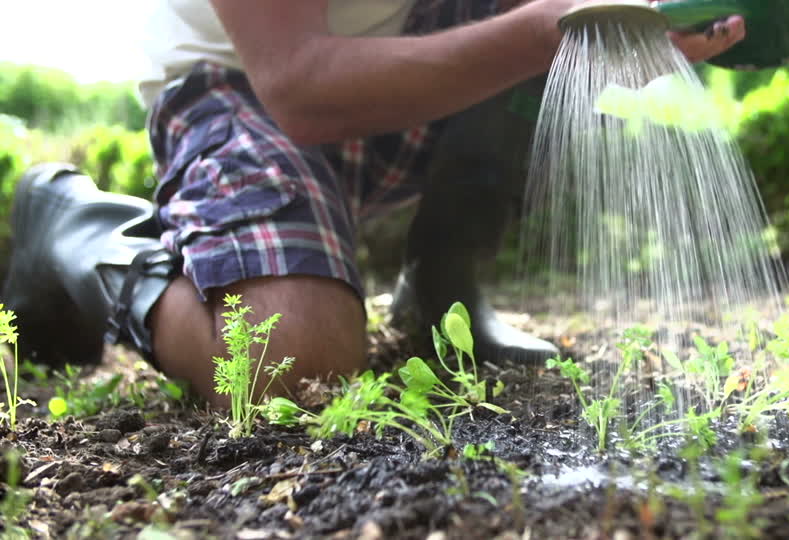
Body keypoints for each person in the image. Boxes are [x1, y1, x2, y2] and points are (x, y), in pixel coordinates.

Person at [2, 0, 745, 407]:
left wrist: (624, 22)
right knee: (292, 356)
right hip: (244, 84)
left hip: (411, 48)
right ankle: (81, 234)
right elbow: (300, 84)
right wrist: (543, 32)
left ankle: (443, 288)